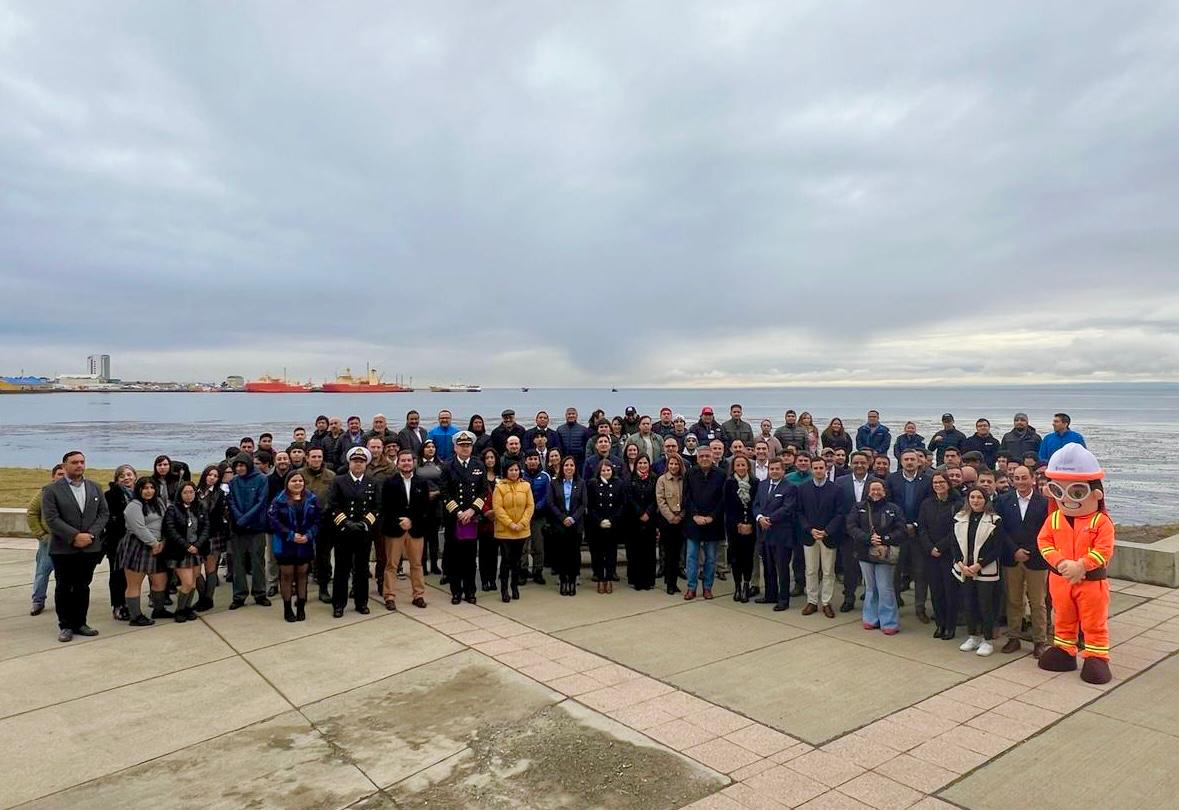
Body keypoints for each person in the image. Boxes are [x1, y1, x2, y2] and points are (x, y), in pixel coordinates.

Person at [41, 451, 109, 642]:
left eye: (82, 462)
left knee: (82, 586)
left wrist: (90, 535)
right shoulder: (51, 490)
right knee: (64, 586)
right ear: (64, 466)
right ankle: (65, 625)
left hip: (89, 547)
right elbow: (52, 519)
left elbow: (103, 514)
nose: (79, 465)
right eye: (74, 462)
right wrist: (74, 536)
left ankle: (81, 623)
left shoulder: (94, 487)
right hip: (64, 548)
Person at [995, 465, 1051, 657]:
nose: (1020, 481)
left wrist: (1030, 551)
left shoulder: (1044, 502)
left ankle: (1039, 641)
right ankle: (1013, 637)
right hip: (1012, 558)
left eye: (1024, 477)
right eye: (1016, 478)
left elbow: (1047, 530)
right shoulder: (1003, 501)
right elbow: (1000, 528)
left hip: (1036, 559)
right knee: (1013, 600)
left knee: (1038, 602)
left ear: (1032, 479)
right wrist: (1015, 550)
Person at [325, 447, 381, 617]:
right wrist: (346, 522)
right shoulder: (339, 481)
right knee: (342, 569)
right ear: (349, 463)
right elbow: (333, 505)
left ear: (366, 464)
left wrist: (364, 523)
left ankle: (361, 602)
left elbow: (377, 507)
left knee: (362, 570)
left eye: (361, 461)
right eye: (355, 461)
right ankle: (339, 604)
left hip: (363, 533)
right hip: (344, 532)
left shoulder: (373, 482)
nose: (358, 464)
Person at [847, 480, 905, 634]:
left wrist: (885, 539)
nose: (876, 492)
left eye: (879, 489)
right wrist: (867, 538)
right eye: (873, 489)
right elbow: (851, 526)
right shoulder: (859, 507)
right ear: (868, 491)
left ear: (884, 491)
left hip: (884, 553)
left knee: (885, 587)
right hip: (864, 552)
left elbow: (901, 529)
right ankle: (871, 618)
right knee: (870, 587)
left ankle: (889, 622)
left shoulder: (893, 509)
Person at [953, 486, 1004, 656]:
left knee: (986, 606)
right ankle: (973, 636)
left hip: (985, 570)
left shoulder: (994, 520)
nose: (975, 501)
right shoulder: (959, 518)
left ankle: (987, 640)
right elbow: (954, 544)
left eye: (979, 498)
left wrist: (979, 565)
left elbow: (997, 548)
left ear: (986, 500)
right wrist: (961, 563)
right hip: (965, 569)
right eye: (972, 497)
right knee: (969, 604)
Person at [440, 431, 489, 604]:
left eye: (468, 445)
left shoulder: (478, 465)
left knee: (470, 557)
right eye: (461, 445)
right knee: (454, 556)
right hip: (454, 519)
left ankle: (470, 591)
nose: (465, 448)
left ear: (472, 447)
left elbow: (484, 492)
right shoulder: (447, 466)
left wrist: (472, 510)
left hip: (471, 519)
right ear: (455, 447)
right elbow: (444, 493)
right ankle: (456, 591)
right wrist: (459, 512)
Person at [380, 449, 431, 611]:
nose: (406, 463)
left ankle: (418, 595)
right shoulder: (389, 482)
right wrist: (399, 521)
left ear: (414, 462)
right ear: (397, 463)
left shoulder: (422, 483)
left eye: (409, 460)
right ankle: (389, 596)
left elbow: (424, 507)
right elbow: (385, 507)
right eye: (403, 460)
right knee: (392, 565)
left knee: (416, 564)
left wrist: (412, 521)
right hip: (395, 529)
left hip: (416, 529)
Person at [885, 449, 933, 620]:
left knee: (921, 573)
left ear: (919, 461)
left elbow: (928, 506)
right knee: (895, 572)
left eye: (913, 459)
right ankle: (895, 603)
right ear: (901, 461)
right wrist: (901, 525)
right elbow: (888, 504)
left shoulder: (927, 481)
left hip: (919, 533)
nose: (910, 462)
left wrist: (915, 524)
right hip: (898, 532)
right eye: (906, 459)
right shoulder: (892, 479)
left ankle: (920, 608)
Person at [268, 470, 320, 622]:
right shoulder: (279, 500)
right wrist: (291, 535)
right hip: (286, 544)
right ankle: (287, 608)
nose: (297, 484)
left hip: (305, 543)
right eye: (294, 481)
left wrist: (309, 535)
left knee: (302, 575)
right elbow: (273, 521)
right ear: (288, 483)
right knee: (287, 575)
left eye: (300, 481)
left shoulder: (312, 498)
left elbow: (318, 520)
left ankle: (301, 608)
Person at [918, 471, 963, 641]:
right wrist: (930, 547)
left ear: (948, 484)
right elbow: (921, 528)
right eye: (935, 482)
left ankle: (950, 626)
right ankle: (940, 624)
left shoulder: (957, 504)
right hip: (930, 554)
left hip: (948, 553)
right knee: (936, 591)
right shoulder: (926, 504)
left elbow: (956, 530)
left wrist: (940, 547)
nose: (938, 485)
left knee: (950, 592)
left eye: (941, 482)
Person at [120, 476, 170, 626]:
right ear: (139, 490)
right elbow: (139, 528)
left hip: (159, 545)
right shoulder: (133, 506)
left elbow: (167, 521)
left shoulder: (159, 503)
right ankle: (135, 616)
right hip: (138, 546)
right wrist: (154, 544)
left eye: (152, 488)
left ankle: (158, 609)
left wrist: (163, 542)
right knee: (134, 583)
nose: (149, 491)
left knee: (160, 581)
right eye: (145, 488)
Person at [796, 456, 842, 618]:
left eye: (821, 468)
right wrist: (809, 529)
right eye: (815, 468)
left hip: (828, 536)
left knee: (829, 571)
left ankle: (826, 602)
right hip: (810, 536)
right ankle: (812, 601)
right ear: (811, 469)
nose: (818, 471)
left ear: (826, 469)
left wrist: (827, 531)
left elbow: (839, 513)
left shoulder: (836, 489)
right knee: (811, 570)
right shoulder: (802, 488)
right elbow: (799, 512)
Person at [227, 451, 272, 609]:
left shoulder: (262, 479)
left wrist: (245, 519)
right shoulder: (233, 482)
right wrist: (239, 520)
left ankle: (259, 593)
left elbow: (261, 502)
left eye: (242, 465)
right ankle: (239, 595)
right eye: (236, 466)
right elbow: (231, 501)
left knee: (257, 562)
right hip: (238, 529)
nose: (239, 468)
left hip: (256, 527)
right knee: (238, 563)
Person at [836, 451, 878, 612]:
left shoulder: (877, 482)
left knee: (871, 567)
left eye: (862, 463)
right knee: (849, 568)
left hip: (870, 533)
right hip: (848, 533)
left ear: (868, 464)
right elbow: (837, 507)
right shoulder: (840, 482)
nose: (859, 465)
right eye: (856, 463)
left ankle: (872, 599)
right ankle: (849, 597)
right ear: (851, 464)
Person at [682, 445, 725, 600]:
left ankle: (707, 587)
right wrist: (695, 515)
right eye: (702, 456)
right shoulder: (690, 473)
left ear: (713, 457)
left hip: (713, 522)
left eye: (708, 456)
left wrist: (711, 517)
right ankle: (691, 588)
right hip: (693, 522)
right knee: (691, 557)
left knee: (711, 558)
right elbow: (686, 496)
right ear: (697, 458)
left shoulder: (721, 474)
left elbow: (722, 499)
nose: (705, 459)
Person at [162, 480, 209, 623]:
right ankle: (180, 610)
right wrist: (186, 546)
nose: (189, 495)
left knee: (194, 581)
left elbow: (206, 527)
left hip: (196, 550)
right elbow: (170, 530)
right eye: (185, 492)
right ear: (180, 494)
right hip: (180, 551)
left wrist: (197, 545)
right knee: (187, 582)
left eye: (191, 492)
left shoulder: (200, 507)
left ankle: (188, 608)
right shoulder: (173, 509)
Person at [753, 457, 796, 611]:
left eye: (778, 469)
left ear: (783, 471)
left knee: (782, 568)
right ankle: (770, 595)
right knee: (768, 566)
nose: (775, 471)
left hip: (781, 534)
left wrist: (769, 519)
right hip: (764, 533)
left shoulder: (790, 487)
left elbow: (787, 508)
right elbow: (756, 504)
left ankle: (783, 599)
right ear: (768, 470)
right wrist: (759, 518)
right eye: (772, 469)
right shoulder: (762, 485)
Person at [491, 459, 534, 603]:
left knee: (517, 561)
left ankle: (514, 586)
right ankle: (504, 589)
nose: (514, 472)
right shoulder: (500, 487)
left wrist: (522, 523)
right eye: (511, 470)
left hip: (521, 530)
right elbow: (498, 508)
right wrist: (510, 524)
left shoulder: (526, 485)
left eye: (516, 470)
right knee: (506, 560)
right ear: (506, 471)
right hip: (505, 531)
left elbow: (530, 506)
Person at [27, 464, 66, 616]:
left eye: (64, 474)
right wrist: (41, 535)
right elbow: (31, 513)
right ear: (53, 476)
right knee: (42, 572)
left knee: (64, 575)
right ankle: (38, 600)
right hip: (49, 541)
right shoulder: (44, 492)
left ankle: (63, 602)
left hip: (67, 542)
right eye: (59, 474)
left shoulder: (74, 492)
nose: (62, 477)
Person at [300, 448, 335, 602]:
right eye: (313, 457)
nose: (316, 459)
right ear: (307, 458)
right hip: (303, 522)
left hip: (325, 523)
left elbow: (334, 498)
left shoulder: (331, 476)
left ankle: (323, 588)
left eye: (319, 457)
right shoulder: (298, 475)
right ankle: (302, 591)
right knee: (302, 558)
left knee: (323, 558)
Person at [585, 459, 625, 593]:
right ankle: (600, 579)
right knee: (597, 553)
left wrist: (612, 520)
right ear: (599, 471)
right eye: (603, 470)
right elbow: (589, 506)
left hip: (612, 525)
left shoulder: (619, 483)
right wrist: (599, 521)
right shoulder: (592, 483)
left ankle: (608, 579)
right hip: (597, 526)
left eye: (608, 470)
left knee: (611, 553)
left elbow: (621, 505)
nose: (606, 472)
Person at [723, 455, 759, 602]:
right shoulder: (729, 483)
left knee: (748, 557)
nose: (741, 468)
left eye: (743, 465)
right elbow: (727, 506)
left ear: (748, 467)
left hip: (750, 527)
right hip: (734, 527)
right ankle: (737, 586)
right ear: (734, 467)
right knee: (735, 557)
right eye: (738, 465)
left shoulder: (755, 482)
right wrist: (738, 523)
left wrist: (749, 523)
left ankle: (746, 584)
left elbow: (756, 504)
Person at [548, 456, 586, 596]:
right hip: (560, 524)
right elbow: (551, 503)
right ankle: (563, 580)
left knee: (574, 554)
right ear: (562, 467)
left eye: (571, 465)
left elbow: (583, 504)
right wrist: (563, 518)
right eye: (566, 465)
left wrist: (573, 518)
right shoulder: (554, 483)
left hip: (575, 525)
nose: (569, 468)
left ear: (575, 468)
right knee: (562, 553)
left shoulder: (581, 483)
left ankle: (572, 580)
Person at [195, 464, 230, 611]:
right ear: (205, 475)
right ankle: (202, 596)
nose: (212, 478)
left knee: (211, 569)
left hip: (213, 535)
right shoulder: (195, 492)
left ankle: (208, 599)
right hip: (195, 536)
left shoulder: (219, 494)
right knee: (195, 570)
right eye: (210, 475)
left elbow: (219, 516)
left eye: (216, 476)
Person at [626, 454, 659, 590]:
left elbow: (656, 498)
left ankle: (648, 581)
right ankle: (636, 580)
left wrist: (648, 512)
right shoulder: (630, 479)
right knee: (635, 551)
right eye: (640, 463)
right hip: (634, 520)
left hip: (650, 520)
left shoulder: (655, 478)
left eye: (645, 463)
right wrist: (640, 512)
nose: (642, 465)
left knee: (649, 551)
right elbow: (629, 498)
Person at [656, 453, 686, 595]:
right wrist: (670, 517)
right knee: (668, 553)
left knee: (677, 553)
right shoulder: (662, 480)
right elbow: (660, 501)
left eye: (676, 464)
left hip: (681, 520)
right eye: (671, 464)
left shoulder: (684, 480)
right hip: (667, 521)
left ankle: (674, 581)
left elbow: (688, 499)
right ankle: (669, 582)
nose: (673, 467)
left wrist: (680, 515)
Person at [416, 439, 445, 576]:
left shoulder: (441, 464)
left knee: (433, 538)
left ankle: (434, 565)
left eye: (433, 447)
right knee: (422, 538)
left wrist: (436, 493)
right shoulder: (416, 464)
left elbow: (445, 485)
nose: (431, 449)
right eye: (428, 447)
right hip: (421, 506)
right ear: (423, 449)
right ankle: (422, 565)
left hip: (436, 506)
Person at [523, 450, 550, 585]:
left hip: (539, 516)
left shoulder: (545, 476)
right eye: (530, 459)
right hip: (522, 517)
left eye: (535, 459)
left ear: (539, 460)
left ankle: (537, 571)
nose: (532, 461)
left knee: (538, 546)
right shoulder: (520, 475)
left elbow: (547, 495)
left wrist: (536, 507)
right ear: (526, 461)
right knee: (523, 547)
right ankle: (523, 571)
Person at [477, 447, 500, 591]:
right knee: (484, 551)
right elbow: (476, 496)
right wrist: (486, 511)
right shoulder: (479, 476)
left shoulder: (501, 476)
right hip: (483, 519)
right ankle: (485, 579)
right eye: (487, 458)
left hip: (497, 519)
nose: (490, 460)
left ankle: (493, 579)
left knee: (494, 551)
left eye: (492, 457)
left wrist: (497, 512)